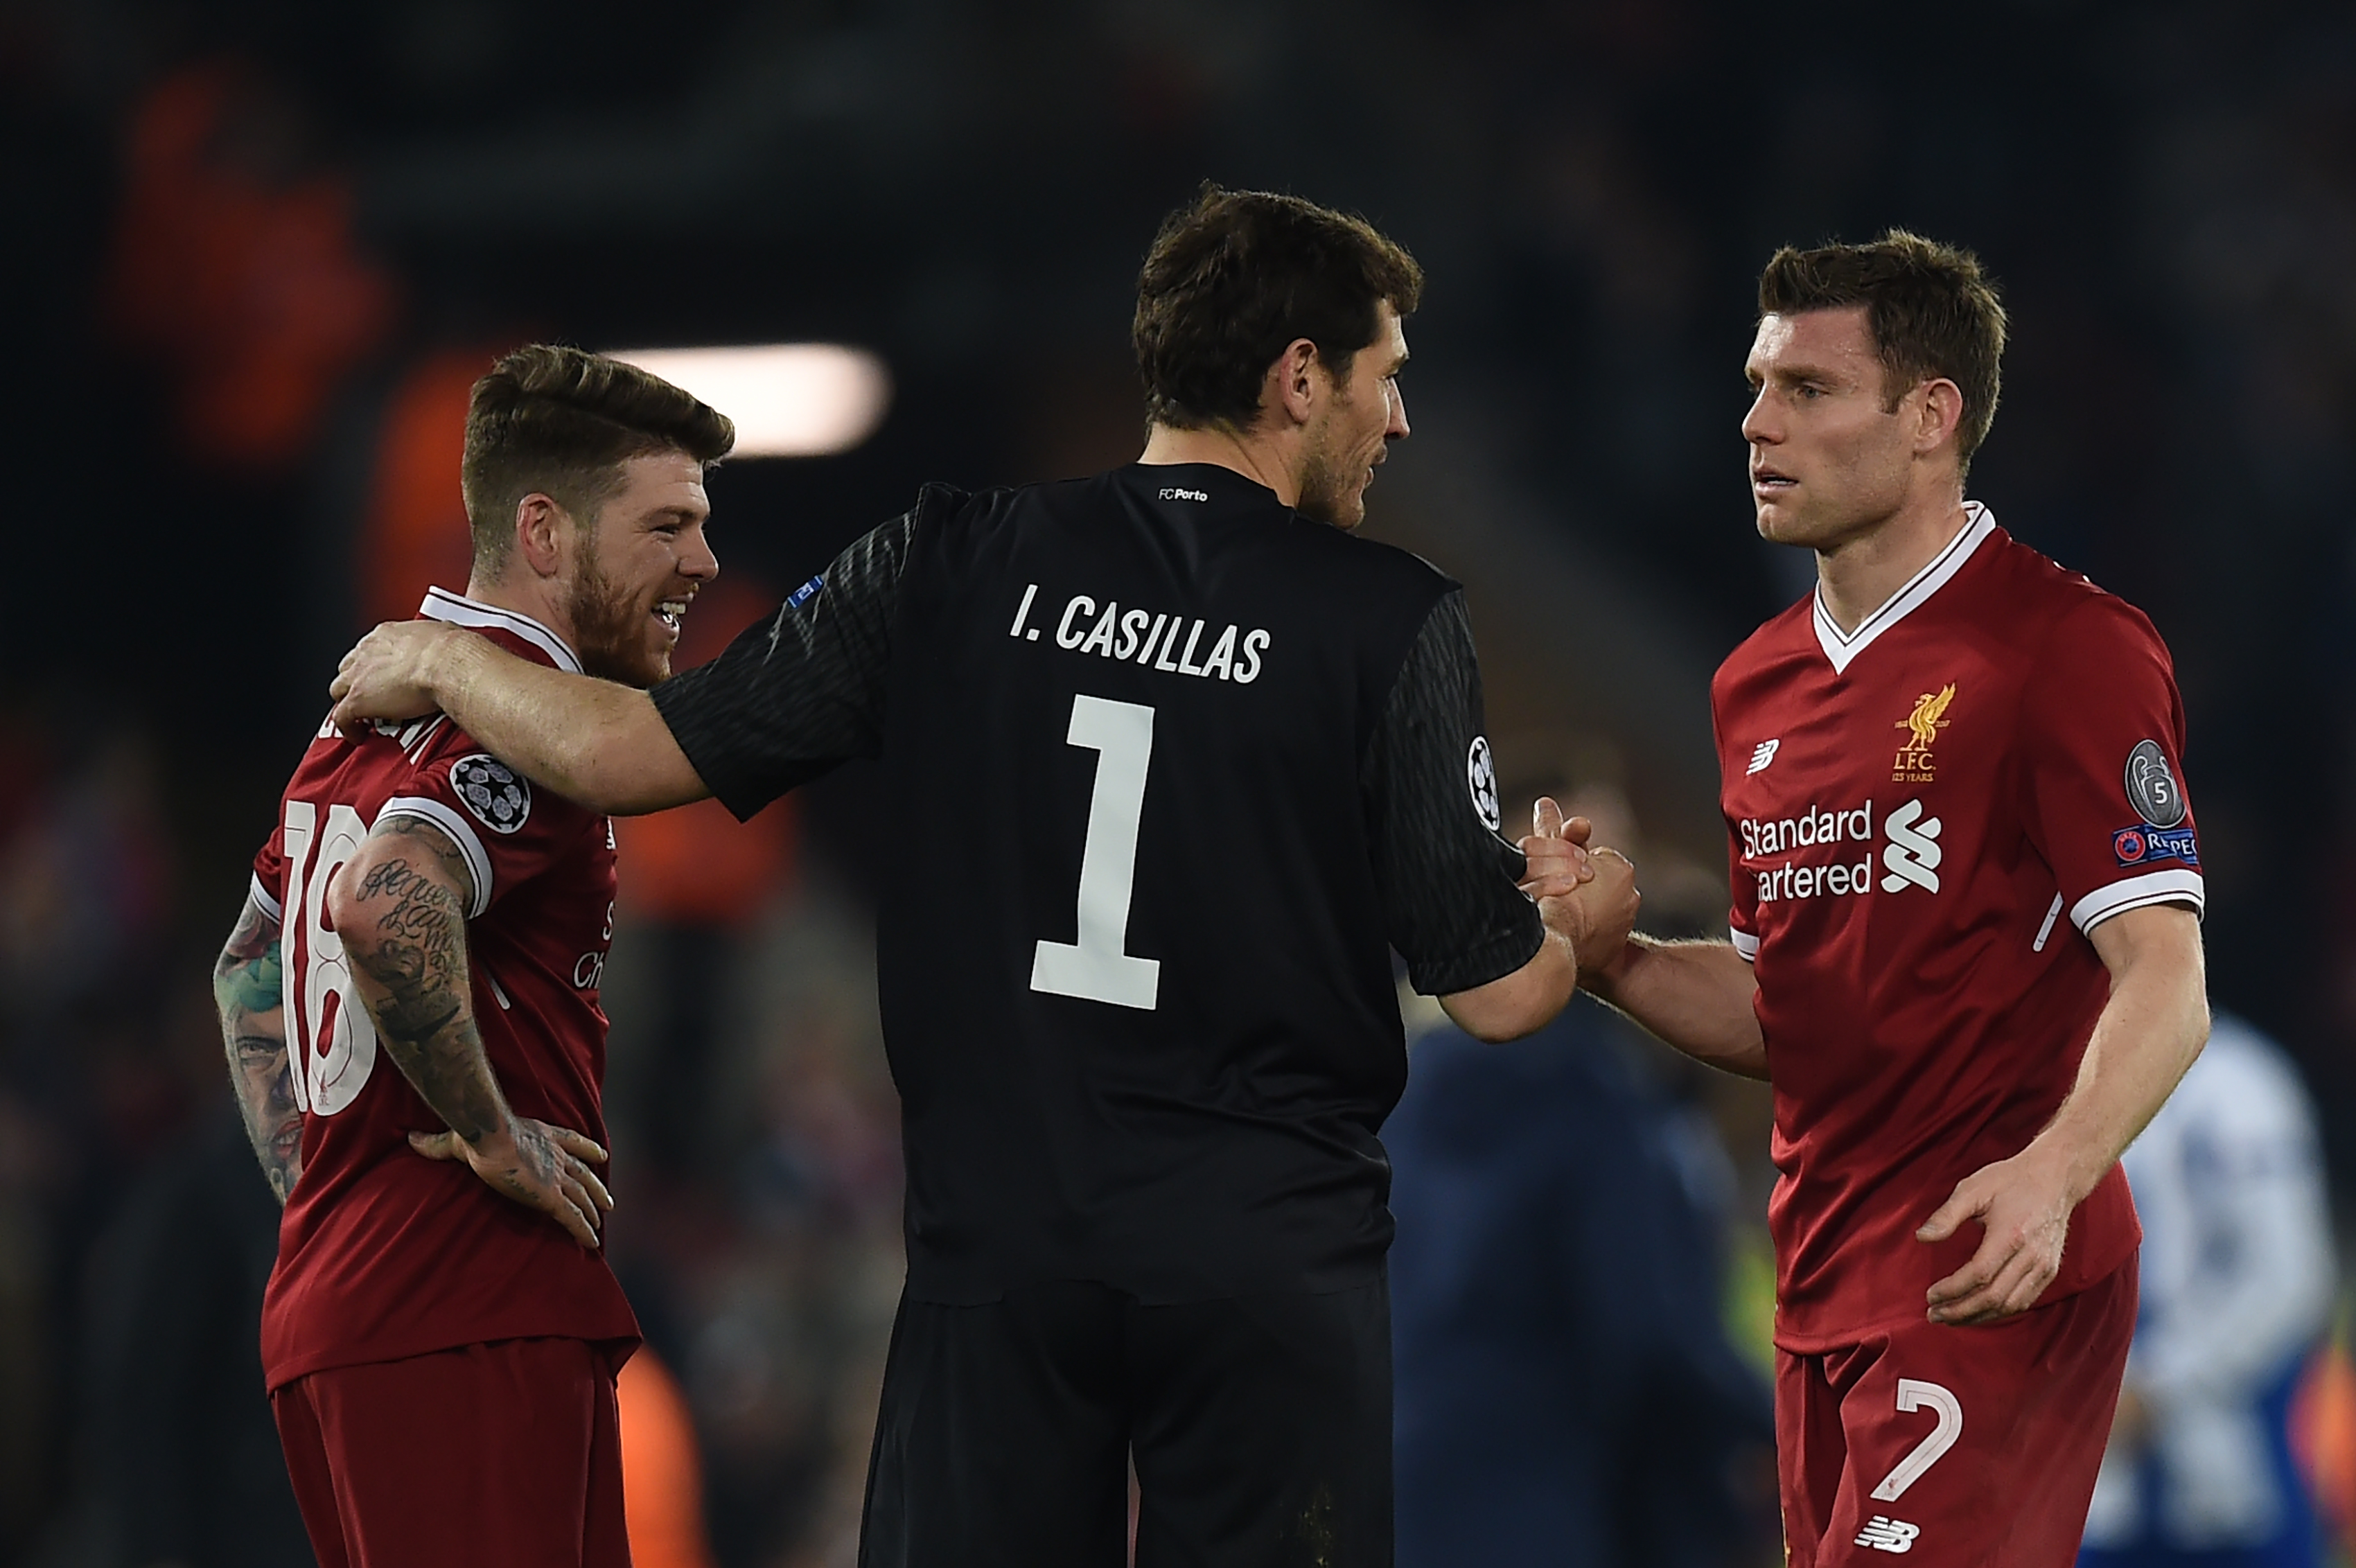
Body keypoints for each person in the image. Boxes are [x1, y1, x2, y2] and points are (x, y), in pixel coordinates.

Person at [326, 184, 1639, 1567]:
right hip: (1261, 1281)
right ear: (1297, 378)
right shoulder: (1388, 618)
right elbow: (1495, 999)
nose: (1399, 420)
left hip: (1002, 1264)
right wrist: (1576, 921)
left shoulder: (945, 558)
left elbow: (629, 748)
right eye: (1385, 380)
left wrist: (448, 657)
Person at [1578, 233, 2212, 1566]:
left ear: (1932, 417)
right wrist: (1615, 956)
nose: (1756, 421)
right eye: (1758, 385)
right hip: (1817, 1288)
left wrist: (2054, 1173)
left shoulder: (2064, 645)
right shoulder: (1752, 684)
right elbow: (1785, 1002)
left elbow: (2166, 971)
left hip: (1989, 1275)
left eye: (1810, 389)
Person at [210, 344, 733, 1567]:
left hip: (347, 1312)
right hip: (467, 1313)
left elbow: (245, 966)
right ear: (544, 532)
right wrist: (493, 1140)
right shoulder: (531, 726)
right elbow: (387, 903)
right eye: (668, 525)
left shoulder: (359, 723)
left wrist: (328, 1185)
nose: (702, 563)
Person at [2080, 1012, 2336, 1567]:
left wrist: (2157, 1388)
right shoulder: (2034, 1071)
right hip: (2089, 1491)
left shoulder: (2238, 1080)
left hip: (2232, 1481)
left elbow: (2289, 1278)